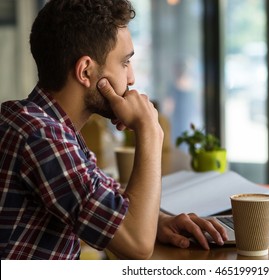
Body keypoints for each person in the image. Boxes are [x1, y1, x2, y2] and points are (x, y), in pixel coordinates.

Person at [0, 0, 227, 260]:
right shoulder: (40, 136)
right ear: (86, 71)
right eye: (124, 63)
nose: (131, 78)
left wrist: (159, 221)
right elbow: (137, 246)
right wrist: (150, 132)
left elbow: (102, 193)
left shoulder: (43, 125)